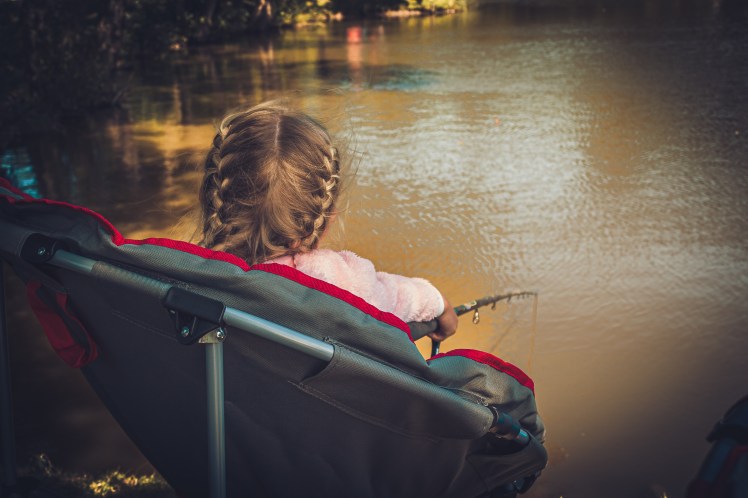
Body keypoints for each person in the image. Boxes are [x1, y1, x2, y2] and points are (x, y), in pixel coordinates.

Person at [195, 100, 458, 343]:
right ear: (326, 213)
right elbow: (397, 297)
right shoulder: (337, 282)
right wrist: (439, 304)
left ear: (213, 197)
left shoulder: (190, 274)